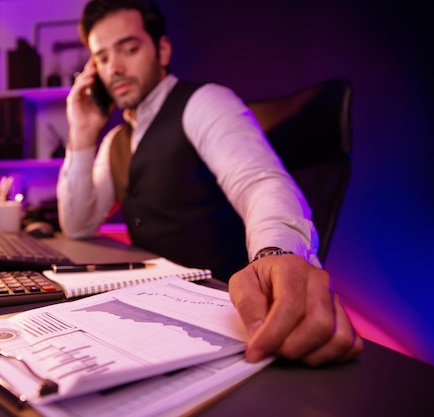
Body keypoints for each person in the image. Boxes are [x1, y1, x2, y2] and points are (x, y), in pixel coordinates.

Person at [57, 0, 363, 366]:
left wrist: (275, 254)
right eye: (102, 58)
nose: (115, 69)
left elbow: (259, 181)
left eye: (129, 49)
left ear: (162, 49)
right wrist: (81, 132)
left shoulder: (205, 102)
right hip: (151, 318)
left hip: (226, 320)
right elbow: (77, 223)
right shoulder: (114, 143)